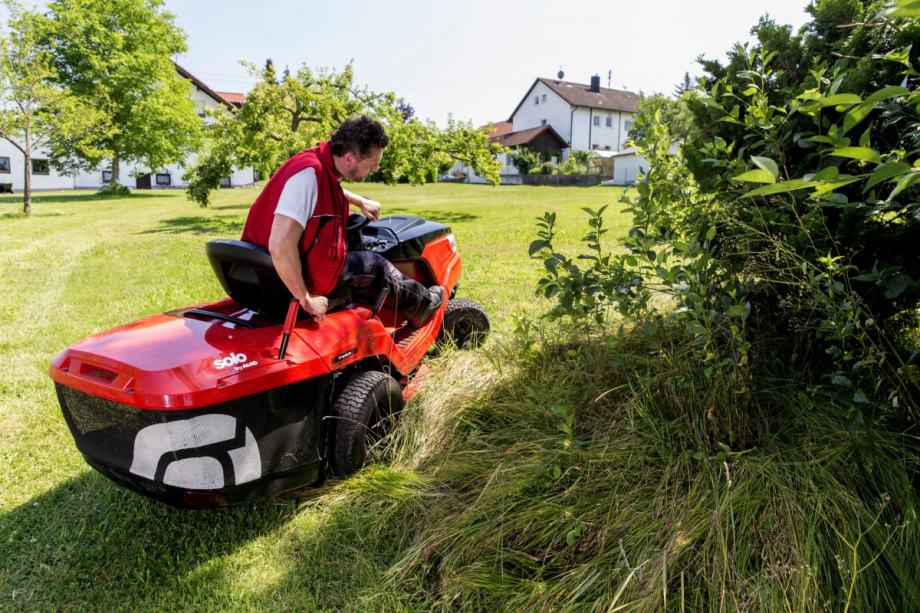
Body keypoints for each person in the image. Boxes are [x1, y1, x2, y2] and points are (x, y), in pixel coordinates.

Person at [241, 116, 443, 325]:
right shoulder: (308, 177)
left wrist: (358, 201)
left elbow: (321, 187)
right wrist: (306, 299)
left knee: (355, 229)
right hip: (285, 282)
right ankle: (424, 305)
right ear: (349, 159)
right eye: (372, 164)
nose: (375, 169)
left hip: (270, 271)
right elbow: (280, 245)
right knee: (375, 266)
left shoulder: (315, 164)